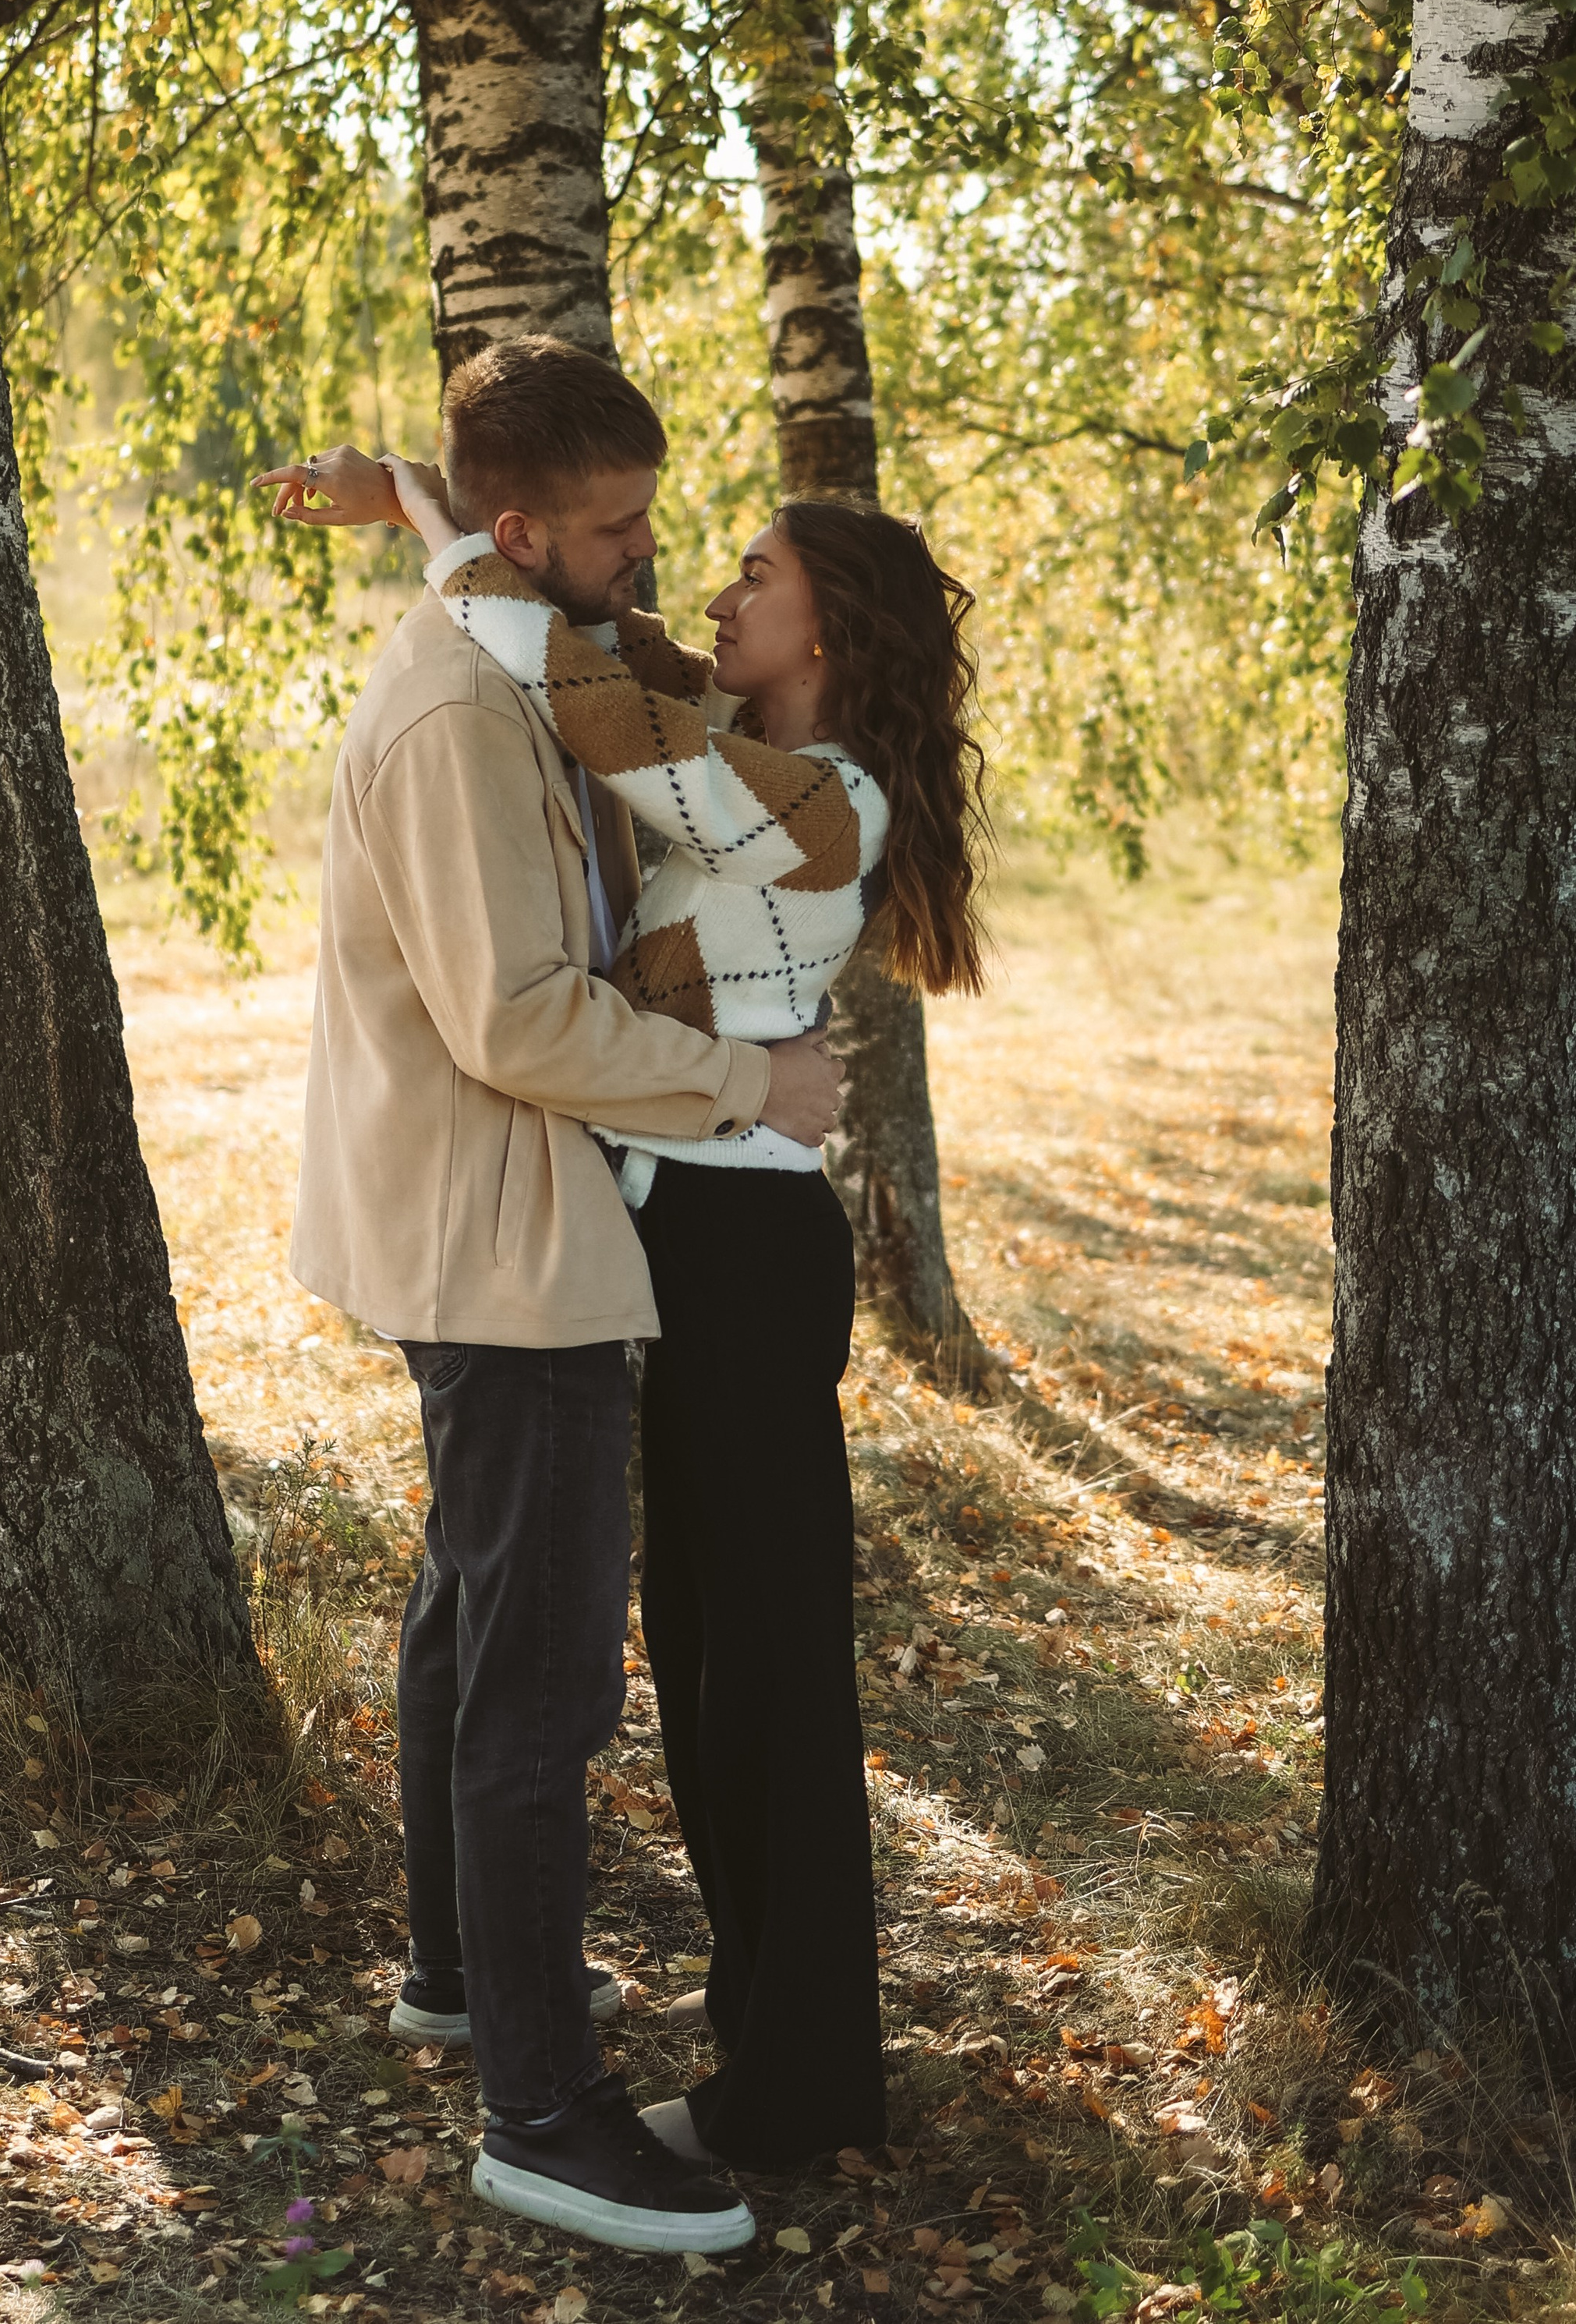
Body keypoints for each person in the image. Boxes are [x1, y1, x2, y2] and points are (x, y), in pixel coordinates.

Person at [255, 343, 844, 2257]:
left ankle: (456, 1974)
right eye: (613, 528)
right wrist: (750, 1082)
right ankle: (542, 2111)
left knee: (468, 1606)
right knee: (540, 1680)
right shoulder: (452, 712)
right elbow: (513, 1015)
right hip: (506, 1240)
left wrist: (406, 507)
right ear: (529, 530)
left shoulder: (502, 622)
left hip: (508, 1217)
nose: (643, 554)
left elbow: (469, 569)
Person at [378, 447, 986, 2170]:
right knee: (710, 1663)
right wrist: (438, 518)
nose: (713, 593)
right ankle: (775, 2059)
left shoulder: (822, 799)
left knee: (765, 1677)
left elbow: (572, 689)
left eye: (751, 574)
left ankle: (795, 2087)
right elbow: (559, 643)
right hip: (687, 1251)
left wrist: (455, 547)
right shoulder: (754, 756)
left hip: (745, 1265)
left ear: (831, 629)